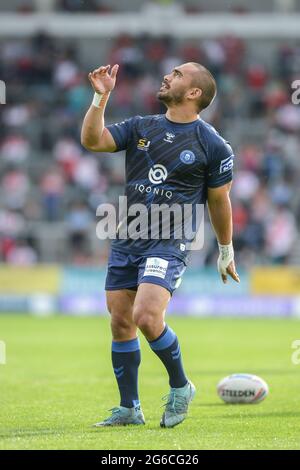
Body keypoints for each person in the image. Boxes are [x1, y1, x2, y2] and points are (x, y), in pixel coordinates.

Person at [81, 62, 240, 428]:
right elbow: (93, 140)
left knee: (146, 316)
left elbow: (219, 201)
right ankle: (129, 408)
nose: (167, 76)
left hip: (170, 241)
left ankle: (181, 386)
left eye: (178, 74)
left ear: (195, 93)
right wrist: (100, 96)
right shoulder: (141, 126)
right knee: (121, 321)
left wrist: (226, 250)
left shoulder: (212, 144)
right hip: (128, 236)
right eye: (169, 72)